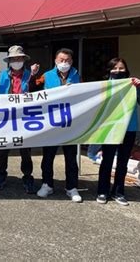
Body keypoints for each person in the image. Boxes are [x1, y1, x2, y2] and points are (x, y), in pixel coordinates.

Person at [32, 48, 83, 203]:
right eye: (61, 60)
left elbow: (84, 95)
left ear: (72, 62)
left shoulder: (77, 76)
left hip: (70, 123)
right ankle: (47, 184)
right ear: (55, 61)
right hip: (51, 123)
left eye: (67, 60)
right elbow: (33, 90)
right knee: (48, 157)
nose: (64, 63)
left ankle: (71, 187)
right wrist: (33, 74)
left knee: (71, 158)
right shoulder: (46, 76)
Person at [96, 58, 140, 206]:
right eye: (115, 68)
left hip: (129, 128)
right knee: (106, 161)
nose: (118, 71)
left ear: (126, 70)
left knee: (122, 162)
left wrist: (139, 87)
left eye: (121, 68)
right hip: (110, 128)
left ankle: (118, 192)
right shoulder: (103, 85)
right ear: (109, 70)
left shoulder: (132, 84)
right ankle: (102, 191)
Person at [0, 45, 39, 193]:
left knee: (25, 150)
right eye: (14, 59)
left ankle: (28, 176)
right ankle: (0, 175)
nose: (17, 61)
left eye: (19, 58)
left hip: (24, 118)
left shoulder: (29, 74)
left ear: (24, 59)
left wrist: (33, 76)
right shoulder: (2, 75)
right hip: (6, 118)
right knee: (3, 149)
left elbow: (36, 92)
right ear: (9, 61)